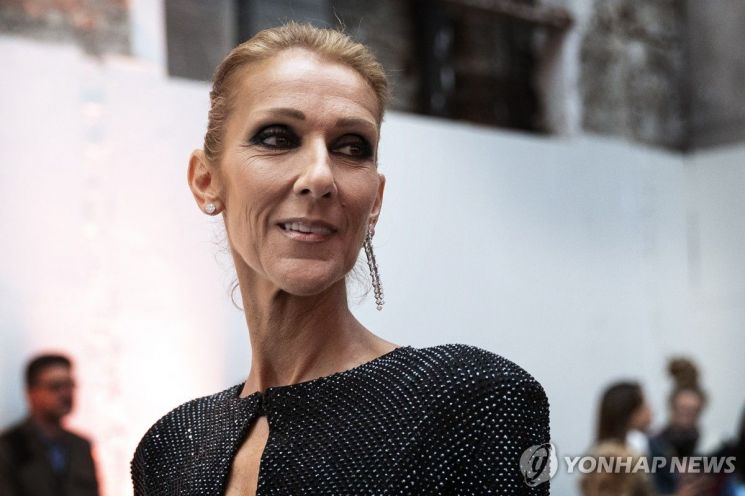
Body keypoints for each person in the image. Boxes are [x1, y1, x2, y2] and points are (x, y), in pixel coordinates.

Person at [130, 21, 550, 495]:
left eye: (352, 147)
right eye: (277, 138)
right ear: (206, 181)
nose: (319, 177)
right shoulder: (171, 448)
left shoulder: (471, 401)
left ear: (375, 201)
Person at [0, 353, 99, 496]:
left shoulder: (81, 446)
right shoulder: (9, 447)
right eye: (55, 386)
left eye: (69, 385)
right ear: (31, 393)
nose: (65, 393)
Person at [649, 357, 708, 495]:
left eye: (692, 411)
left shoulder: (709, 446)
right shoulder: (655, 445)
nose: (686, 416)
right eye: (682, 410)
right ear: (672, 407)